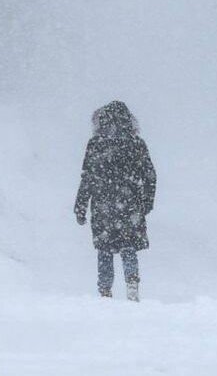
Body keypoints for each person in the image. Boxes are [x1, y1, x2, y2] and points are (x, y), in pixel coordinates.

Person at [74, 101, 157, 301]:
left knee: (104, 248)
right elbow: (149, 175)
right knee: (128, 245)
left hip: (103, 202)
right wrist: (147, 200)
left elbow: (88, 177)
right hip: (130, 202)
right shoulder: (136, 143)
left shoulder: (96, 143)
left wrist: (81, 205)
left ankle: (104, 290)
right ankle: (132, 282)